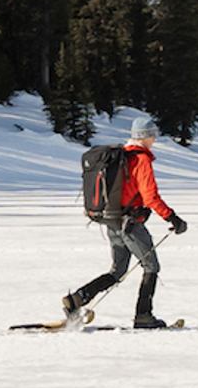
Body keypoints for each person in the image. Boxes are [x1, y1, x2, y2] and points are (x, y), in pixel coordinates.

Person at [63, 116, 189, 328]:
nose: (154, 138)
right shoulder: (141, 159)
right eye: (153, 134)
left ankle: (77, 299)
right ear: (145, 136)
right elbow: (151, 197)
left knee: (118, 271)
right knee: (151, 266)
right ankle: (144, 316)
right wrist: (172, 218)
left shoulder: (123, 156)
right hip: (130, 223)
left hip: (113, 219)